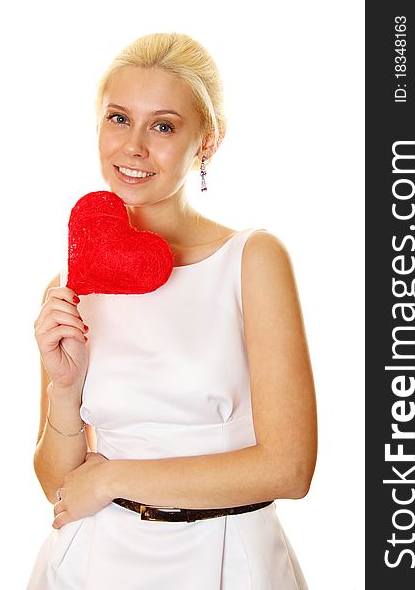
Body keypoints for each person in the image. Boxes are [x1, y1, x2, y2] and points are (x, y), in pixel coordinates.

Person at [27, 31, 317, 589]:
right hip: (93, 564)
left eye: (162, 125)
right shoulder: (71, 285)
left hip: (229, 562)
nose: (133, 147)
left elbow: (289, 468)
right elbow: (60, 487)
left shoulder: (251, 260)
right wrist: (65, 390)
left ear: (207, 141)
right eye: (118, 118)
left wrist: (113, 478)